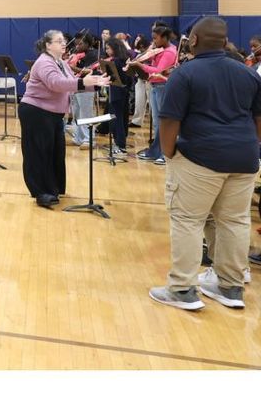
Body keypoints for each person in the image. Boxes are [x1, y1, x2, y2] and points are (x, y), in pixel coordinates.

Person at [147, 17, 261, 311]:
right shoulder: (248, 74)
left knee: (188, 221)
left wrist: (170, 154)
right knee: (235, 221)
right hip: (244, 159)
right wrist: (248, 145)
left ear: (193, 41)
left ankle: (182, 288)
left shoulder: (185, 74)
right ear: (224, 43)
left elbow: (169, 119)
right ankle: (230, 287)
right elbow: (259, 120)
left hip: (200, 157)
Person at [19, 30, 108, 209]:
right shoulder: (44, 62)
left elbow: (71, 83)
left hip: (53, 114)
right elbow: (56, 84)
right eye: (58, 41)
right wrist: (85, 82)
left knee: (55, 152)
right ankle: (41, 192)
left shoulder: (60, 62)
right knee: (39, 154)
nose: (63, 43)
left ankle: (54, 188)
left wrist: (95, 85)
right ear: (47, 45)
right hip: (36, 112)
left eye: (63, 41)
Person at [130, 25, 178, 164]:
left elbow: (158, 70)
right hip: (155, 86)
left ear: (164, 37)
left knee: (163, 123)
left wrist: (141, 66)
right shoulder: (159, 50)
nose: (153, 42)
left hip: (163, 86)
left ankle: (165, 153)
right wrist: (148, 54)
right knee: (157, 123)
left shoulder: (169, 52)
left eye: (155, 39)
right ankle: (156, 150)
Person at [101, 37, 132, 155]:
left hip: (116, 92)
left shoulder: (116, 62)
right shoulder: (124, 59)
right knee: (123, 118)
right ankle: (121, 142)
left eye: (108, 48)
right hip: (124, 91)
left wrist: (104, 71)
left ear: (114, 48)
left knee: (117, 119)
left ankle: (120, 144)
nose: (107, 51)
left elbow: (112, 77)